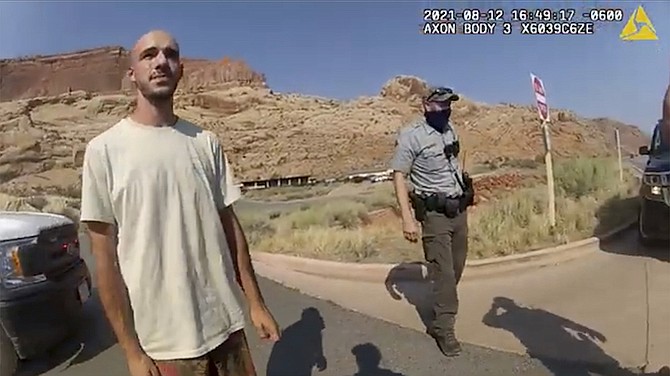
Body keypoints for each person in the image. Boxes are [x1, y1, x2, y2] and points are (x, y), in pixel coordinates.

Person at [80, 30, 281, 376]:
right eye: (149, 55)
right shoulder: (104, 152)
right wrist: (131, 352)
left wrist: (256, 303)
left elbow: (230, 229)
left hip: (226, 330)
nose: (161, 62)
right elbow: (106, 264)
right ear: (132, 73)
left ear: (181, 69)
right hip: (163, 345)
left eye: (170, 55)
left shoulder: (206, 143)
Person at [390, 86, 475, 357]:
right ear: (425, 106)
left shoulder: (450, 129)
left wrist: (465, 185)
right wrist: (407, 219)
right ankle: (444, 328)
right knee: (444, 273)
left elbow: (456, 160)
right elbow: (399, 176)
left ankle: (441, 300)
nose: (445, 110)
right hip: (434, 215)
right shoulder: (411, 135)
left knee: (456, 267)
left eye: (448, 105)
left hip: (458, 210)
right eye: (439, 105)